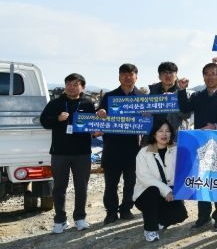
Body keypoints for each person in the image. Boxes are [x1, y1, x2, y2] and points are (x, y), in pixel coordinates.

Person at [177, 62, 217, 230]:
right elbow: (185, 109)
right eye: (207, 74)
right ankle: (203, 216)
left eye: (213, 73)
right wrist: (181, 90)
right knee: (201, 179)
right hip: (201, 143)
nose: (210, 77)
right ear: (203, 77)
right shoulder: (198, 96)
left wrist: (216, 126)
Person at [39, 73, 96, 233]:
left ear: (82, 87)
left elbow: (93, 126)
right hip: (60, 153)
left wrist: (97, 130)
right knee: (59, 188)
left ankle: (80, 218)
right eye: (68, 84)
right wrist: (57, 119)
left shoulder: (88, 103)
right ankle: (60, 220)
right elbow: (43, 121)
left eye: (75, 84)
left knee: (81, 187)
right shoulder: (55, 103)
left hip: (82, 153)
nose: (71, 88)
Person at [96, 63, 143, 224]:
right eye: (124, 74)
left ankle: (126, 209)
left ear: (136, 77)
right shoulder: (109, 96)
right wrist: (100, 112)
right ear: (119, 77)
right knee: (111, 184)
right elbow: (98, 117)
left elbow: (149, 120)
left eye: (131, 75)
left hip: (134, 148)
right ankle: (111, 212)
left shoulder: (142, 97)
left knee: (131, 183)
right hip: (112, 147)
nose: (127, 78)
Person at [134, 119, 188, 242]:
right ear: (154, 134)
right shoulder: (144, 152)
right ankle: (150, 230)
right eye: (160, 131)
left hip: (169, 193)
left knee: (181, 215)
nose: (164, 134)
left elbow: (185, 170)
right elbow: (144, 177)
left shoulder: (177, 149)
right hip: (145, 194)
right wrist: (166, 190)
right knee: (152, 191)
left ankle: (159, 221)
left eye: (167, 131)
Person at [147, 61, 191, 133]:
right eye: (164, 73)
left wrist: (173, 101)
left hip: (176, 135)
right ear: (159, 76)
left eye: (171, 72)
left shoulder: (184, 93)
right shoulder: (152, 93)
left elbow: (186, 115)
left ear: (176, 75)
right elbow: (147, 115)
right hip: (157, 135)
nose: (168, 75)